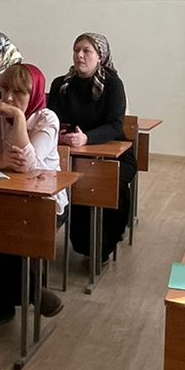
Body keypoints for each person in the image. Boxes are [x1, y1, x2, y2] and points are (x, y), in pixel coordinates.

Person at [0, 62, 66, 327]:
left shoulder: (47, 119)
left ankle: (11, 299)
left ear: (35, 94)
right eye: (5, 90)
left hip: (44, 202)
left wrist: (19, 119)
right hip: (1, 195)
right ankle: (29, 293)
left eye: (19, 92)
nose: (9, 98)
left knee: (11, 232)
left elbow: (27, 165)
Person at [47, 33, 132, 262]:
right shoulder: (61, 84)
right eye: (76, 50)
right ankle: (85, 244)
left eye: (87, 51)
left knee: (106, 183)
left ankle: (105, 242)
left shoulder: (112, 84)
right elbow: (52, 119)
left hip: (114, 153)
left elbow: (115, 125)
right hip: (71, 153)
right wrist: (60, 134)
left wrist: (87, 138)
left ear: (100, 56)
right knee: (75, 184)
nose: (80, 55)